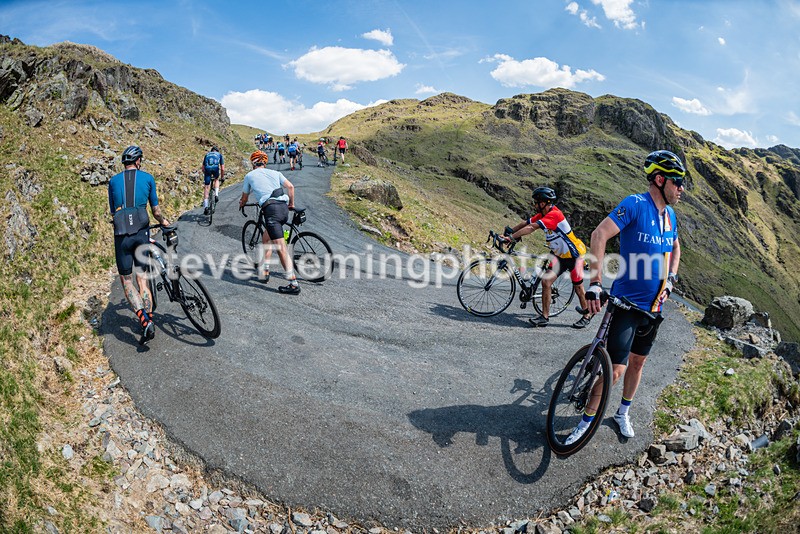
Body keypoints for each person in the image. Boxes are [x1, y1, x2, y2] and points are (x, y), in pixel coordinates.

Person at [565, 150, 686, 445]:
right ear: (660, 180)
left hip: (654, 307)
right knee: (614, 370)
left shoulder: (669, 215)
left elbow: (676, 249)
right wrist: (595, 282)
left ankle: (623, 412)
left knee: (637, 364)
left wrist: (671, 279)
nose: (681, 188)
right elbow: (599, 235)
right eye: (677, 182)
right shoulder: (635, 204)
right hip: (627, 304)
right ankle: (586, 420)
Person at [501, 186, 593, 328]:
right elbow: (527, 223)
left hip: (574, 256)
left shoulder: (554, 215)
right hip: (559, 256)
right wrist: (509, 233)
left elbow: (531, 228)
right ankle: (544, 317)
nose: (534, 205)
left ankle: (587, 314)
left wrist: (511, 238)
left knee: (578, 288)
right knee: (546, 282)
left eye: (536, 202)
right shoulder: (544, 214)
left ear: (543, 203)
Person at [108, 145, 171, 344]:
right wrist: (164, 222)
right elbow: (156, 211)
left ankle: (144, 321)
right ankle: (150, 317)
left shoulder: (112, 181)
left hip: (122, 235)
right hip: (141, 233)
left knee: (126, 281)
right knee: (142, 278)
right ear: (138, 161)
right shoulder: (148, 178)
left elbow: (113, 211)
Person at [239, 151, 300, 295]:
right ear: (264, 163)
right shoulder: (275, 172)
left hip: (271, 210)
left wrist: (242, 204)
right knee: (266, 238)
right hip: (283, 209)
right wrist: (291, 204)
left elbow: (245, 197)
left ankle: (293, 284)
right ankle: (265, 270)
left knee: (281, 248)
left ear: (253, 163)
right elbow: (290, 187)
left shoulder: (249, 176)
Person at [202, 146, 225, 215]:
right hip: (215, 169)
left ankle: (206, 207)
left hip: (207, 169)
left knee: (206, 187)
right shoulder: (219, 155)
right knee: (216, 179)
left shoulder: (207, 155)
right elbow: (222, 168)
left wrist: (205, 173)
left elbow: (203, 168)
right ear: (217, 151)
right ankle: (216, 195)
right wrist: (222, 177)